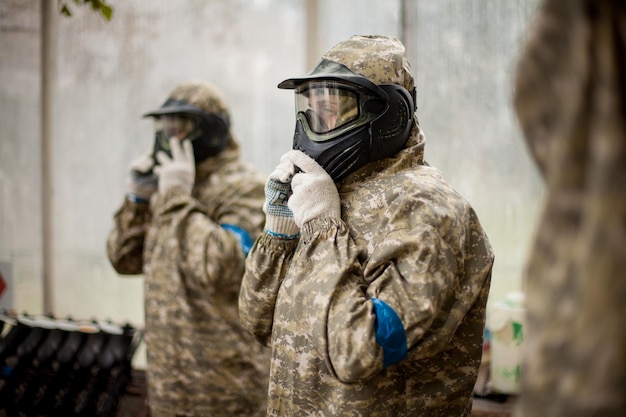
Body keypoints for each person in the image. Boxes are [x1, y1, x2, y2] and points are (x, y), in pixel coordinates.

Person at [238, 35, 494, 416]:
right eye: (313, 110)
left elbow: (357, 351)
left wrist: (324, 230)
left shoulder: (428, 211)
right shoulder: (327, 193)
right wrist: (280, 231)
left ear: (390, 114)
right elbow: (258, 321)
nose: (317, 125)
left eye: (333, 110)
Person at [107, 80, 269, 417]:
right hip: (170, 387)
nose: (170, 137)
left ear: (210, 131)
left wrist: (177, 200)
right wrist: (138, 199)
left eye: (181, 126)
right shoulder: (171, 184)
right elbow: (123, 259)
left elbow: (221, 267)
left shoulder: (246, 187)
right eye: (165, 126)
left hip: (225, 391)